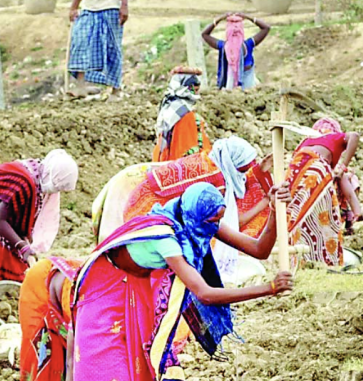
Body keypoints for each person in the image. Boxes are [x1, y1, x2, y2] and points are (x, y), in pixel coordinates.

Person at [68, 182, 293, 381]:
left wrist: (274, 210)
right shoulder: (166, 238)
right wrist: (269, 288)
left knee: (141, 367)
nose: (215, 227)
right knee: (108, 368)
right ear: (194, 217)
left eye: (218, 220)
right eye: (212, 221)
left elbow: (258, 249)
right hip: (106, 291)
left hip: (137, 289)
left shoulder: (199, 217)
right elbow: (204, 293)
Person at [0, 150, 79, 330]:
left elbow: (16, 216)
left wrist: (24, 247)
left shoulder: (36, 175)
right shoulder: (25, 183)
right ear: (53, 177)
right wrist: (23, 249)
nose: (57, 192)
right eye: (58, 187)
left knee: (9, 259)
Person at [123, 136, 273, 281]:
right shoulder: (216, 187)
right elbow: (233, 224)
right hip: (145, 217)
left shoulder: (213, 159)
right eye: (243, 169)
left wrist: (258, 172)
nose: (244, 175)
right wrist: (266, 203)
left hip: (139, 207)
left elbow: (241, 180)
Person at [285, 117, 360, 266]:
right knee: (327, 218)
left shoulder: (306, 142)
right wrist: (343, 165)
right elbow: (355, 136)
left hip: (294, 172)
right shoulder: (332, 136)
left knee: (299, 217)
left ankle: (299, 257)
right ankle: (328, 258)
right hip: (316, 170)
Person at [19, 257, 82, 381]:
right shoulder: (83, 309)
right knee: (37, 354)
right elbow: (71, 362)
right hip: (38, 287)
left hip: (66, 298)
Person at [311, 117, 363, 235]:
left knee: (346, 178)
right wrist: (342, 168)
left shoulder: (307, 144)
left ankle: (351, 215)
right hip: (318, 186)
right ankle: (355, 212)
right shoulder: (333, 141)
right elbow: (354, 136)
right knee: (347, 178)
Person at [152, 67, 211, 162]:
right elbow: (186, 149)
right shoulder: (184, 114)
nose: (197, 92)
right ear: (188, 88)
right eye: (195, 88)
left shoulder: (169, 105)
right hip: (177, 165)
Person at [201, 12, 270, 90]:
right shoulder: (228, 47)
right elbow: (266, 28)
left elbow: (205, 34)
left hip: (248, 86)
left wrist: (218, 20)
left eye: (237, 28)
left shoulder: (245, 45)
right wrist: (249, 18)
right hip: (231, 87)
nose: (235, 30)